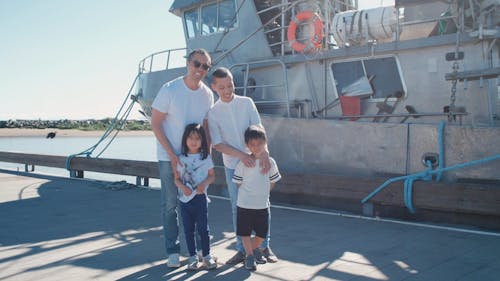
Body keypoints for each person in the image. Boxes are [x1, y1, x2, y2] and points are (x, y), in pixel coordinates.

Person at [207, 67, 277, 265]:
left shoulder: (247, 103)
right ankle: (242, 250)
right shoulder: (213, 112)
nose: (227, 90)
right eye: (222, 87)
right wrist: (241, 155)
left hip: (257, 162)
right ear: (214, 88)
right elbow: (218, 143)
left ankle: (264, 246)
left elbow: (259, 129)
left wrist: (264, 154)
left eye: (230, 85)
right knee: (238, 208)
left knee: (263, 204)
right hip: (232, 166)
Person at [151, 48, 214, 268]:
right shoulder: (170, 89)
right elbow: (156, 123)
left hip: (196, 161)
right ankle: (172, 250)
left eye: (205, 66)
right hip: (169, 157)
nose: (200, 69)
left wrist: (208, 159)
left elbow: (207, 129)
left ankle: (199, 253)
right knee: (170, 204)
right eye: (197, 64)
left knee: (198, 204)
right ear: (188, 63)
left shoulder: (207, 94)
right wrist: (172, 155)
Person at [232, 125, 281, 270]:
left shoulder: (270, 162)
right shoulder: (243, 163)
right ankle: (249, 256)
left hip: (262, 205)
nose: (256, 146)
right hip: (245, 205)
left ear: (265, 142)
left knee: (261, 235)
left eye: (260, 143)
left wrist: (263, 192)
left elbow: (273, 182)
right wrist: (249, 194)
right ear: (247, 145)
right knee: (244, 233)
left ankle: (251, 250)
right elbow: (238, 183)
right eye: (252, 144)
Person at [175, 123, 217, 270]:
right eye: (190, 137)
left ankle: (207, 256)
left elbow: (212, 176)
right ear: (185, 139)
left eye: (197, 138)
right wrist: (183, 188)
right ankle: (192, 257)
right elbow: (176, 178)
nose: (194, 141)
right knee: (188, 230)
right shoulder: (181, 158)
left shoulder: (206, 158)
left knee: (203, 229)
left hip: (200, 198)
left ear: (202, 141)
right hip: (184, 200)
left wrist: (203, 184)